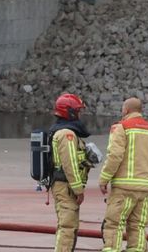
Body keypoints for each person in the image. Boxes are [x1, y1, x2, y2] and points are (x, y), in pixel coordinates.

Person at [99, 97, 148, 252]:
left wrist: (104, 178)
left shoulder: (122, 127)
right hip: (145, 189)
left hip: (124, 187)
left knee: (114, 224)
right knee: (138, 227)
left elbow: (115, 155)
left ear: (126, 110)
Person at [49, 92, 93, 252]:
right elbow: (70, 164)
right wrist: (78, 190)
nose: (80, 115)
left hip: (65, 187)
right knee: (67, 227)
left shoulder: (65, 132)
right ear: (70, 112)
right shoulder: (66, 134)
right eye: (78, 111)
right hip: (66, 187)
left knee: (69, 226)